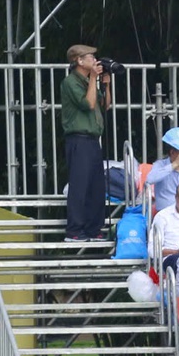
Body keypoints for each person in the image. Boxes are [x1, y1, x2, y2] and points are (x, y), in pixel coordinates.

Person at [60, 45, 111, 243]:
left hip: (92, 140)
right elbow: (88, 104)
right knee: (80, 185)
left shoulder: (88, 81)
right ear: (79, 61)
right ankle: (74, 231)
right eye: (90, 57)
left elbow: (105, 105)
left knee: (96, 186)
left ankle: (93, 228)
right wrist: (93, 79)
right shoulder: (70, 82)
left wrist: (105, 84)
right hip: (78, 139)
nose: (94, 60)